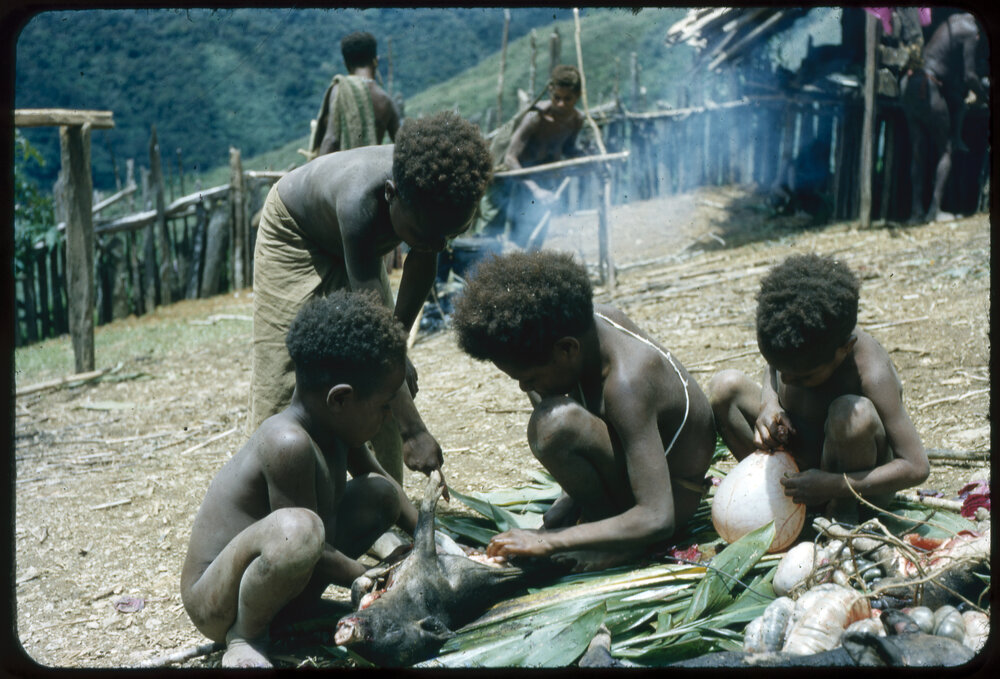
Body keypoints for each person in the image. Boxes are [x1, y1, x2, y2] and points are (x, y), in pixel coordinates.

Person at [250, 111, 492, 484]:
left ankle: (384, 501)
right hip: (296, 235)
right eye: (422, 235)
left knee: (381, 380)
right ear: (390, 194)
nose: (434, 245)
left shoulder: (433, 194)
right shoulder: (359, 201)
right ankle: (272, 497)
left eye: (446, 237)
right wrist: (415, 432)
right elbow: (374, 336)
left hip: (355, 242)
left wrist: (398, 354)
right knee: (289, 375)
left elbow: (421, 265)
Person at [182, 291, 419, 668]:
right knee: (301, 528)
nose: (389, 416)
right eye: (384, 406)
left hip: (283, 583)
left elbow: (378, 480)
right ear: (340, 399)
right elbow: (309, 545)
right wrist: (375, 575)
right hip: (218, 600)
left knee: (381, 494)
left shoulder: (337, 426)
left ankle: (291, 617)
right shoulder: (287, 442)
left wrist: (428, 538)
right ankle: (246, 636)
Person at [451, 251, 717, 571]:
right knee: (552, 413)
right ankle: (600, 523)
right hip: (641, 483)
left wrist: (550, 540)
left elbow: (657, 517)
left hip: (669, 504)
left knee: (556, 424)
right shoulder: (585, 327)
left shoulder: (627, 384)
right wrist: (570, 498)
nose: (525, 388)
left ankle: (620, 545)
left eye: (530, 378)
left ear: (567, 349)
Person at [708, 254, 929, 523]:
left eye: (803, 377)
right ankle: (773, 500)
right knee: (725, 389)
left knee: (852, 413)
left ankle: (840, 517)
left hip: (852, 484)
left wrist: (834, 485)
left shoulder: (870, 371)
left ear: (844, 349)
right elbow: (774, 370)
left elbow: (916, 466)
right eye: (781, 369)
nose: (787, 381)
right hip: (804, 468)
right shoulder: (798, 342)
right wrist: (770, 402)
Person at [475, 64, 585, 250]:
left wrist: (585, 156)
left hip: (538, 178)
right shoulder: (536, 118)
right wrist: (536, 190)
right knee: (490, 231)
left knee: (532, 228)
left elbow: (568, 148)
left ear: (578, 97)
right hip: (507, 176)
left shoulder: (576, 120)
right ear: (550, 92)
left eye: (568, 99)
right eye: (557, 98)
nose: (561, 104)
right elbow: (510, 157)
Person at [900, 12, 986, 223]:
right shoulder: (971, 30)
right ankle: (934, 212)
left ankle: (916, 212)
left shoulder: (953, 20)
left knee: (918, 150)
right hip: (926, 85)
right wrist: (985, 96)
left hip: (909, 84)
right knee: (946, 148)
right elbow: (970, 76)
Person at [310, 31, 401, 158]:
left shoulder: (340, 89)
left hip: (340, 173)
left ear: (346, 64)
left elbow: (331, 140)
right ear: (376, 61)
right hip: (374, 174)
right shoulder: (385, 100)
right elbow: (402, 144)